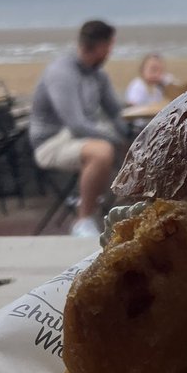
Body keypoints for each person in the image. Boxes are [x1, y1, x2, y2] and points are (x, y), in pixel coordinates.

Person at [28, 20, 129, 237]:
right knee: (102, 152)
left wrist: (129, 135)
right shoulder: (62, 73)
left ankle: (112, 202)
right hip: (51, 141)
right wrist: (114, 138)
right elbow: (76, 124)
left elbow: (114, 111)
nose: (110, 52)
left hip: (79, 137)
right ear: (101, 46)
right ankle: (82, 219)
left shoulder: (97, 74)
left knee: (130, 141)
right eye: (110, 46)